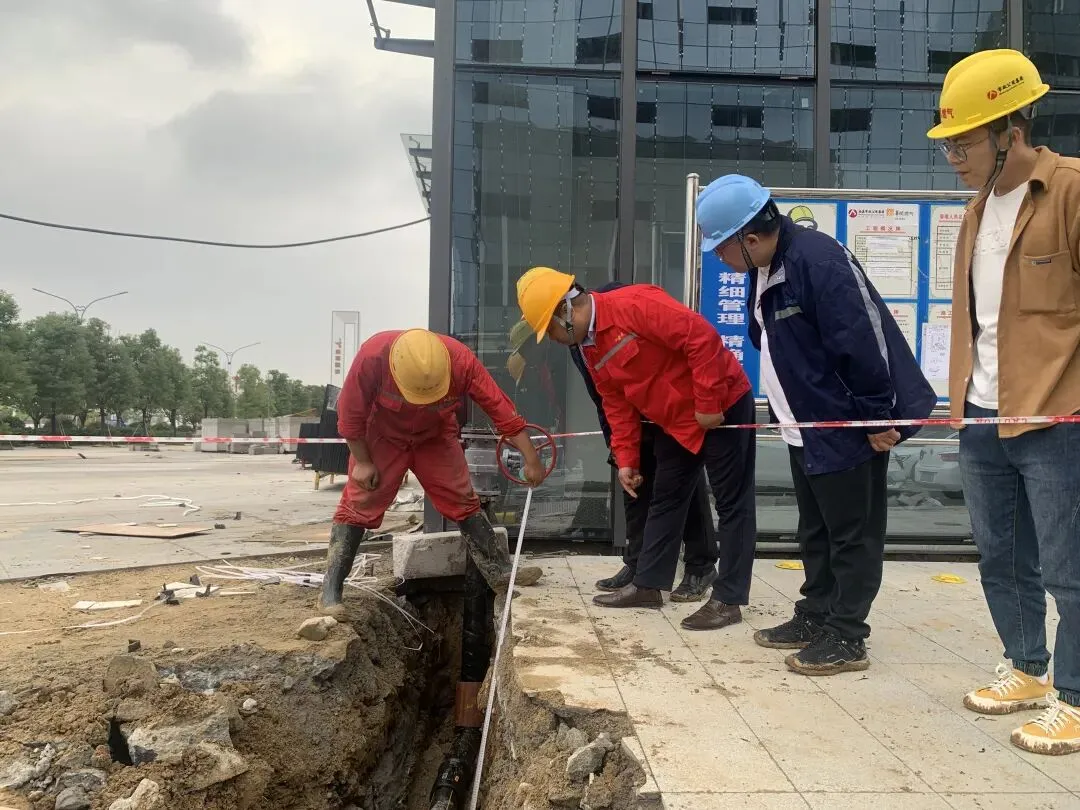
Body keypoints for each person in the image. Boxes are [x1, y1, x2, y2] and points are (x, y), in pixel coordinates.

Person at [696, 174, 936, 676]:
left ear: (750, 237)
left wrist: (876, 415)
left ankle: (847, 635)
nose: (720, 259)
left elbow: (862, 340)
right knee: (816, 530)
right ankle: (816, 614)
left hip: (846, 424)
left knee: (852, 534)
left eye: (721, 249)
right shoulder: (767, 267)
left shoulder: (816, 260)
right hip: (803, 425)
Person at [927, 48, 1080, 755]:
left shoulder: (1070, 192)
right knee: (1001, 558)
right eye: (948, 145)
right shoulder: (975, 211)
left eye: (963, 143)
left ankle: (1075, 697)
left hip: (1058, 416)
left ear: (1010, 133)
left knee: (1070, 569)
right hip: (983, 414)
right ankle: (1026, 667)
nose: (953, 158)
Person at [516, 267, 756, 631]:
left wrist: (708, 403)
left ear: (565, 311)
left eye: (548, 330)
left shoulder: (634, 304)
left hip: (722, 407)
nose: (552, 339)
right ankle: (648, 585)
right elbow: (616, 401)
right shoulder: (589, 346)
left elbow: (701, 337)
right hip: (673, 419)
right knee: (666, 497)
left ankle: (729, 599)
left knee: (732, 503)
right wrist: (626, 458)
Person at [318, 328, 546, 614]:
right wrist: (363, 461)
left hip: (435, 436)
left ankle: (500, 573)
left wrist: (531, 459)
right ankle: (331, 591)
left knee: (463, 499)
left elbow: (500, 409)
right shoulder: (373, 356)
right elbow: (350, 414)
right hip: (383, 436)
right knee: (360, 503)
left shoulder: (461, 361)